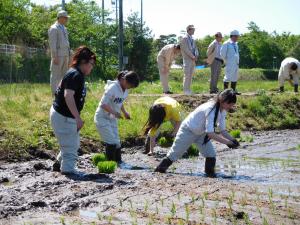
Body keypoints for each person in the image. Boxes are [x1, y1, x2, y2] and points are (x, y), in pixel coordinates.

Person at [154, 89, 240, 178]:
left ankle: (210, 175)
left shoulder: (223, 110)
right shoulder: (210, 109)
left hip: (201, 133)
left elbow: (222, 130)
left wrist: (233, 140)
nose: (232, 106)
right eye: (230, 104)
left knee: (211, 154)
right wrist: (228, 143)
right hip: (188, 131)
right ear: (223, 101)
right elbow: (210, 134)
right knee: (174, 154)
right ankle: (159, 171)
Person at [50, 46, 96, 175]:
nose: (92, 67)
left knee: (71, 143)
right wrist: (77, 118)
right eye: (91, 64)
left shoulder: (73, 73)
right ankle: (68, 171)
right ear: (83, 62)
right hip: (64, 116)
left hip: (62, 115)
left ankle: (59, 164)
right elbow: (68, 95)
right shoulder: (75, 74)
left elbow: (60, 87)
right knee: (70, 147)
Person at [94, 71, 139, 163]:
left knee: (117, 143)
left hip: (112, 118)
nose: (129, 87)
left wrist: (125, 112)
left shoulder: (125, 89)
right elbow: (103, 104)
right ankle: (109, 165)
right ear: (123, 79)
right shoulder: (112, 88)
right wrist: (115, 113)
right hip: (102, 118)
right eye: (129, 85)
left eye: (131, 86)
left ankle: (119, 163)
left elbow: (119, 102)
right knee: (111, 141)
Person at [48, 10, 71, 95]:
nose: (66, 20)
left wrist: (69, 54)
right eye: (65, 18)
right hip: (58, 55)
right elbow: (52, 44)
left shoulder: (64, 28)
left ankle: (62, 93)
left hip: (65, 55)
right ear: (60, 18)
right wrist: (54, 57)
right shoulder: (54, 28)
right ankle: (55, 94)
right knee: (55, 75)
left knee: (64, 75)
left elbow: (67, 42)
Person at [180, 25, 199, 95]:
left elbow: (195, 48)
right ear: (189, 30)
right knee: (187, 74)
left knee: (190, 75)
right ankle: (185, 90)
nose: (194, 31)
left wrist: (196, 55)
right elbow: (186, 49)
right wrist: (192, 56)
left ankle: (188, 89)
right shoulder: (184, 38)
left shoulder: (193, 39)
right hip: (187, 59)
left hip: (192, 59)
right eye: (193, 30)